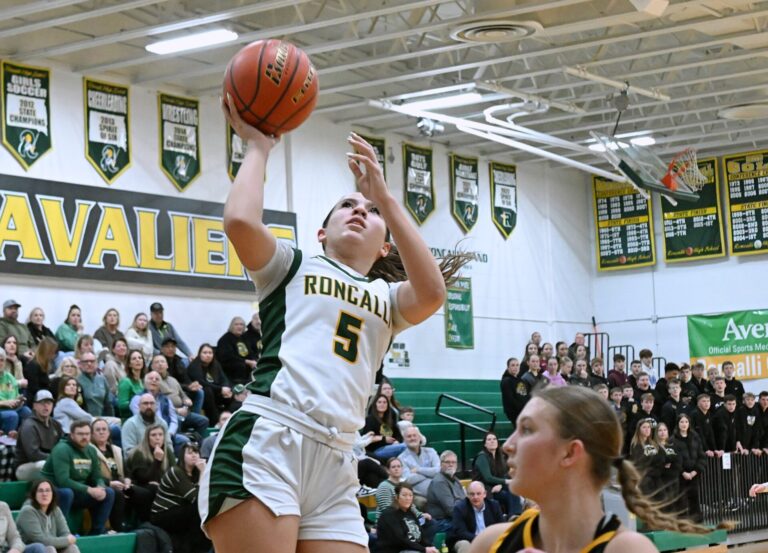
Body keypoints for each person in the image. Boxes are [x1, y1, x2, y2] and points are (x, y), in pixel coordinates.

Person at [200, 111, 465, 553]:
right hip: (270, 440)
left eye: (371, 212)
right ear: (322, 233)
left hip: (339, 459)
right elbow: (241, 223)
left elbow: (433, 292)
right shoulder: (293, 265)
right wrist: (259, 147)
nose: (360, 210)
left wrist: (384, 195)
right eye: (348, 205)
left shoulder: (389, 297)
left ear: (385, 244)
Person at [470, 386, 717, 553]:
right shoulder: (490, 542)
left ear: (570, 452)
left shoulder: (628, 549)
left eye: (526, 430)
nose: (508, 445)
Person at [40, 420, 115, 535]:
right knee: (67, 493)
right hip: (53, 490)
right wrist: (89, 489)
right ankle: (59, 533)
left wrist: (100, 486)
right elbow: (63, 481)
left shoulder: (91, 450)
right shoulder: (62, 449)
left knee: (108, 492)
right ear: (72, 435)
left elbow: (97, 476)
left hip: (77, 491)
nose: (84, 437)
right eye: (80, 434)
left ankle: (97, 533)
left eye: (87, 434)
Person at [151, 443, 210, 553]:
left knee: (202, 510)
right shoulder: (176, 471)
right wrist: (203, 472)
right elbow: (195, 498)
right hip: (162, 514)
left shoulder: (195, 473)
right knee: (196, 510)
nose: (194, 455)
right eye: (189, 453)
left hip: (180, 510)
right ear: (182, 456)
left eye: (196, 452)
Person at [126, 424, 175, 520]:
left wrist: (161, 483)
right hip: (140, 486)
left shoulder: (167, 451)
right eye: (153, 435)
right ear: (147, 438)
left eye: (160, 435)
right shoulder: (139, 453)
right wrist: (157, 461)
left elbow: (173, 474)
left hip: (159, 485)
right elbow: (143, 478)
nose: (158, 438)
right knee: (154, 488)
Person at [16, 479, 79, 553]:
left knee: (72, 548)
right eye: (40, 491)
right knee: (49, 549)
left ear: (53, 494)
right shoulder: (27, 511)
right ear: (34, 494)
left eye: (48, 490)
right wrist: (67, 540)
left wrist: (67, 540)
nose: (44, 494)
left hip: (50, 546)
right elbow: (40, 540)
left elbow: (65, 533)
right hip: (29, 549)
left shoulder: (56, 510)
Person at [376, 483, 439, 553]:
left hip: (413, 548)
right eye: (404, 495)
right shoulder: (389, 514)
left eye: (410, 495)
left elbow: (422, 536)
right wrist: (424, 549)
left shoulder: (411, 513)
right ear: (397, 497)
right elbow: (401, 540)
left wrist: (430, 547)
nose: (408, 498)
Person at [15, 390, 63, 481]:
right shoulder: (29, 425)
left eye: (48, 403)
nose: (46, 406)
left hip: (49, 461)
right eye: (42, 403)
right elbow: (33, 454)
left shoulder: (56, 424)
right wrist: (57, 458)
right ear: (34, 406)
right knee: (43, 465)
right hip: (25, 467)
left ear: (52, 405)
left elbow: (63, 445)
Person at [471, 432, 520, 517]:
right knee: (507, 494)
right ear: (485, 444)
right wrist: (505, 482)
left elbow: (505, 473)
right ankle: (513, 515)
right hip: (485, 489)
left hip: (496, 486)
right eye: (489, 440)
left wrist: (501, 484)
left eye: (494, 439)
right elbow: (488, 478)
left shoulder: (499, 456)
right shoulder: (482, 457)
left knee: (513, 488)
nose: (492, 441)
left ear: (497, 442)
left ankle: (515, 516)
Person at [448, 481, 503, 553]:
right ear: (467, 495)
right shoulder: (460, 508)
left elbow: (500, 526)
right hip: (468, 540)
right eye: (472, 494)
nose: (475, 497)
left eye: (478, 493)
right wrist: (480, 539)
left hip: (489, 540)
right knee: (464, 544)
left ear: (485, 494)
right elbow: (460, 532)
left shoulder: (494, 505)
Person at [186, 343, 233, 422]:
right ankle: (215, 421)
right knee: (208, 391)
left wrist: (226, 388)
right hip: (201, 394)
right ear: (199, 354)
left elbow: (224, 378)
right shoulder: (194, 366)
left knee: (234, 392)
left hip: (216, 391)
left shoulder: (215, 364)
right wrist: (220, 389)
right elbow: (202, 383)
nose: (208, 355)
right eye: (205, 353)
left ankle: (230, 419)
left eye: (210, 353)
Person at [673, 413, 706, 522]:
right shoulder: (673, 440)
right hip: (680, 476)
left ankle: (697, 523)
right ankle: (682, 524)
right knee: (681, 501)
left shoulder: (695, 437)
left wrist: (695, 471)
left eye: (686, 422)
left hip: (694, 475)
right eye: (681, 422)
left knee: (694, 499)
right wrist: (683, 472)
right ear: (677, 424)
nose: (684, 424)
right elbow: (673, 459)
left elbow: (701, 456)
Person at [425, 450, 465, 534]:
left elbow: (464, 500)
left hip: (453, 518)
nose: (451, 464)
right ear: (441, 464)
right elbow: (451, 510)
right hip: (442, 522)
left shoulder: (456, 480)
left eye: (453, 462)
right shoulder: (439, 481)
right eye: (447, 462)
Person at [399, 426, 441, 503]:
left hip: (438, 486)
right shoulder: (401, 458)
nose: (412, 438)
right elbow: (408, 479)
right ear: (404, 440)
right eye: (409, 436)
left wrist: (418, 470)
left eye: (414, 435)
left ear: (419, 438)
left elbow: (438, 471)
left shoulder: (431, 451)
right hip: (419, 493)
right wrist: (430, 473)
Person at [216, 316, 258, 385]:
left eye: (241, 324)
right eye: (236, 324)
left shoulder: (244, 338)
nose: (239, 326)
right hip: (231, 370)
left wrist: (254, 360)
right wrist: (246, 361)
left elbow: (251, 353)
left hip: (246, 369)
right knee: (241, 366)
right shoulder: (225, 339)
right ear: (231, 326)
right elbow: (228, 357)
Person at [362, 393, 404, 460]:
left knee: (409, 445)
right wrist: (384, 439)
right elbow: (366, 440)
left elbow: (399, 435)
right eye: (379, 402)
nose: (382, 404)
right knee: (406, 446)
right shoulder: (369, 420)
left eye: (385, 402)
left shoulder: (390, 419)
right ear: (375, 404)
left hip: (392, 447)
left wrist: (397, 441)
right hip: (376, 451)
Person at [0, 346, 32, 435]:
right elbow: (7, 402)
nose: (0, 363)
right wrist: (4, 403)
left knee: (27, 412)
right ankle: (6, 443)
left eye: (2, 360)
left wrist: (19, 400)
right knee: (12, 415)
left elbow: (15, 395)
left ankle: (22, 440)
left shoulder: (9, 377)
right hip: (2, 408)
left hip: (10, 407)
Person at [629, 418, 664, 498]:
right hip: (644, 480)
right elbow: (641, 463)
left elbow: (661, 459)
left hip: (657, 479)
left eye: (648, 427)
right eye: (644, 427)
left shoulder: (654, 444)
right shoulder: (636, 445)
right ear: (639, 429)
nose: (647, 429)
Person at [76, 352, 113, 417]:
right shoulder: (76, 381)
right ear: (80, 364)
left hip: (102, 418)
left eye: (92, 361)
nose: (89, 364)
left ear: (97, 363)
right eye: (86, 361)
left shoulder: (102, 379)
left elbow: (108, 404)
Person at [654, 422, 681, 512]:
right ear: (656, 433)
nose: (662, 432)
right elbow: (655, 463)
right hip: (660, 481)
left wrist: (669, 464)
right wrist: (665, 464)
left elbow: (678, 461)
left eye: (665, 430)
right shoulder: (653, 447)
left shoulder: (673, 445)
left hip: (673, 479)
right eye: (660, 430)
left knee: (674, 504)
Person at [23, 338, 56, 402]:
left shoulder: (44, 365)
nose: (54, 355)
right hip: (36, 399)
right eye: (53, 352)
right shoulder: (33, 365)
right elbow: (33, 388)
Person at [117, 349, 146, 418]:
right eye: (134, 358)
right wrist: (140, 404)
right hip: (130, 419)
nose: (137, 360)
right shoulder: (126, 382)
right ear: (129, 364)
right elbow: (122, 405)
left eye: (140, 358)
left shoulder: (144, 381)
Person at [500, 357, 528, 428]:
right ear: (508, 367)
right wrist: (522, 409)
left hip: (523, 411)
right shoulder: (506, 381)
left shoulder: (520, 380)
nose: (515, 367)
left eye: (517, 365)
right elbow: (510, 400)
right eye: (513, 365)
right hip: (515, 413)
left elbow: (525, 395)